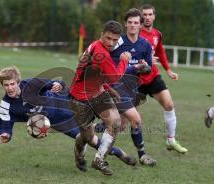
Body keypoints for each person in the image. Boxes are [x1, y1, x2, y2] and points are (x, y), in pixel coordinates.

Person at [0, 66, 136, 167]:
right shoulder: (7, 104)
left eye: (12, 84)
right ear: (2, 85)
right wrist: (5, 133)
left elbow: (57, 83)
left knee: (94, 110)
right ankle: (118, 152)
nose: (9, 88)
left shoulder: (32, 84)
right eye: (6, 85)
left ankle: (104, 122)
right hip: (59, 123)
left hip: (65, 106)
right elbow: (3, 121)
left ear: (18, 82)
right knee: (91, 141)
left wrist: (58, 84)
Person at [69, 20, 131, 175]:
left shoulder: (96, 45)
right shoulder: (100, 52)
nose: (111, 43)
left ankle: (99, 159)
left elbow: (94, 73)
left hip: (96, 92)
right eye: (108, 38)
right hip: (79, 98)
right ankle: (79, 155)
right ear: (101, 35)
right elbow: (115, 77)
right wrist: (124, 61)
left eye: (114, 40)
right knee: (87, 136)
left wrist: (107, 89)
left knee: (115, 122)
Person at [109, 8, 156, 166]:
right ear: (125, 24)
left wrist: (145, 67)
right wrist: (132, 68)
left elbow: (149, 67)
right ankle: (142, 155)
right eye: (130, 22)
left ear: (141, 25)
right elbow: (109, 67)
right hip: (116, 87)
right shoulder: (117, 42)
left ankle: (90, 130)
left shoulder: (145, 45)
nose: (133, 25)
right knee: (136, 120)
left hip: (132, 90)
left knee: (119, 126)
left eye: (136, 23)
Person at [139, 4, 188, 153]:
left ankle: (171, 140)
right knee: (122, 121)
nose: (147, 17)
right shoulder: (135, 33)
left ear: (154, 16)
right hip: (136, 79)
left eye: (149, 14)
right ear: (141, 17)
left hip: (153, 76)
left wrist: (168, 70)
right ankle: (96, 131)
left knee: (169, 105)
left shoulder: (157, 34)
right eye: (144, 15)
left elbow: (160, 51)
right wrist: (145, 60)